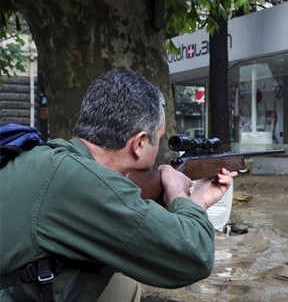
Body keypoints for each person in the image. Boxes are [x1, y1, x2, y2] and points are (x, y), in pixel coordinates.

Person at [0, 69, 237, 301]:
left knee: (121, 285)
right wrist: (179, 192)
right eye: (160, 138)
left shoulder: (54, 156)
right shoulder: (82, 183)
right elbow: (194, 256)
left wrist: (197, 199)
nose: (160, 148)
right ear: (140, 143)